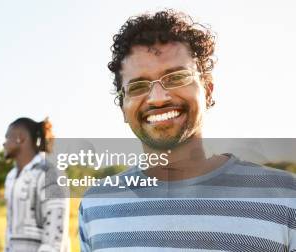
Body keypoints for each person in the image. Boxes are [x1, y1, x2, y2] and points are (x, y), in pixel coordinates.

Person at [78, 9, 296, 251]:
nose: (158, 98)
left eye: (176, 78)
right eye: (138, 86)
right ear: (122, 108)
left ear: (208, 90)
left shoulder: (286, 198)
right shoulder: (95, 207)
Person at [2, 117, 70, 252]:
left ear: (20, 138)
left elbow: (55, 235)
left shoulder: (50, 172)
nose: (4, 143)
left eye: (7, 137)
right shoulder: (11, 176)